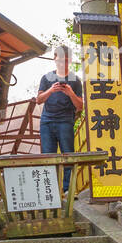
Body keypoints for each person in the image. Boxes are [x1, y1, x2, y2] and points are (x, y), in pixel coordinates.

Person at [36, 44, 84, 191]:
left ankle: (67, 189)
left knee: (68, 155)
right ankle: (49, 190)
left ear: (69, 60)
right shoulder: (46, 78)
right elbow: (38, 100)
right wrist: (51, 89)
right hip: (47, 121)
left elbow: (80, 106)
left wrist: (70, 93)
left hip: (65, 121)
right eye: (59, 59)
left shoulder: (75, 80)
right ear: (55, 59)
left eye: (65, 59)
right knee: (48, 157)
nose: (62, 62)